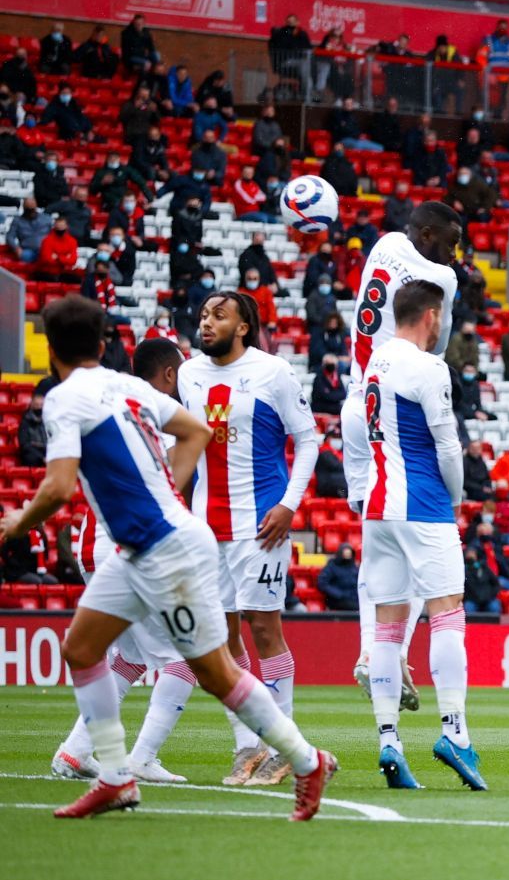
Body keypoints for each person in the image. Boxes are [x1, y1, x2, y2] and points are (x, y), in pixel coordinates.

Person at [5, 295, 336, 819]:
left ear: (50, 348)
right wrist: (167, 490)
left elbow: (59, 486)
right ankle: (115, 776)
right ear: (101, 344)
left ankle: (305, 759)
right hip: (147, 542)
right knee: (81, 648)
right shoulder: (132, 386)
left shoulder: (65, 400)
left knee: (213, 673)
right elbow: (198, 431)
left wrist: (16, 524)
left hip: (165, 547)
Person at [177, 292, 319, 787]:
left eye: (218, 314)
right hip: (204, 526)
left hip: (259, 523)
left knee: (264, 630)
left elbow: (309, 438)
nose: (206, 321)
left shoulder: (271, 372)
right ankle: (248, 747)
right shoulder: (189, 374)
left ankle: (284, 747)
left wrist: (289, 504)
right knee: (220, 638)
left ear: (243, 326)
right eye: (203, 313)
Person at [46, 339, 199, 785]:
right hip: (130, 546)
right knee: (185, 654)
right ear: (170, 375)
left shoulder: (115, 404)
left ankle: (74, 752)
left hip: (95, 543)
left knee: (129, 657)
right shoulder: (158, 418)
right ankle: (141, 758)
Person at [358, 279, 486, 791]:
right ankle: (454, 732)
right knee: (447, 613)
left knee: (388, 628)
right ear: (432, 316)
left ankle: (389, 741)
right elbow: (448, 446)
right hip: (423, 503)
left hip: (378, 508)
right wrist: (455, 498)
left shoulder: (376, 361)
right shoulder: (429, 367)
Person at [341, 202, 462, 700]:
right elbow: (437, 341)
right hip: (394, 410)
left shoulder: (385, 244)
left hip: (355, 404)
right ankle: (386, 652)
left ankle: (374, 648)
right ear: (429, 234)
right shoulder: (442, 278)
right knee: (419, 535)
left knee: (379, 544)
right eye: (450, 241)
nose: (454, 254)